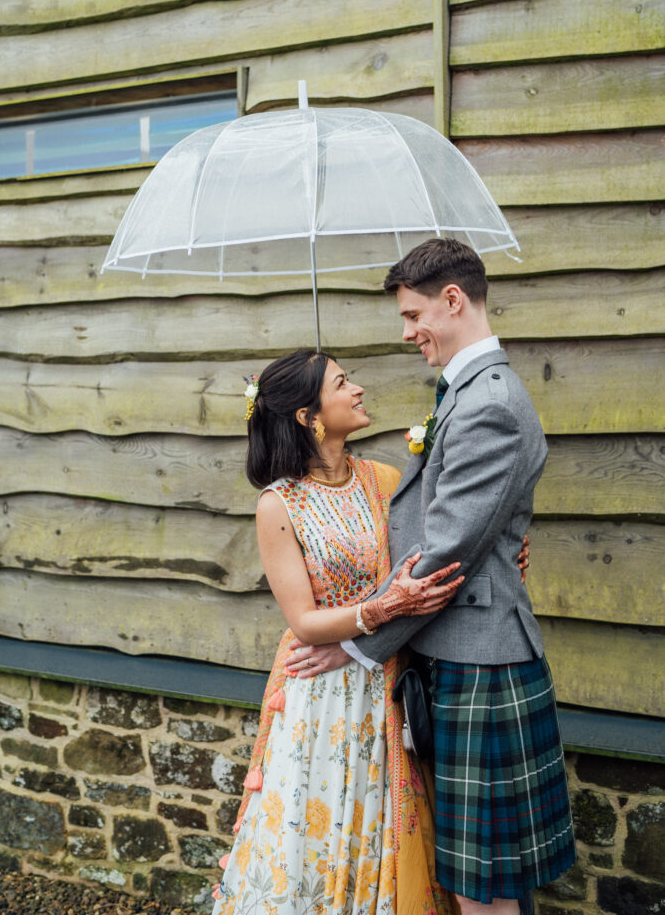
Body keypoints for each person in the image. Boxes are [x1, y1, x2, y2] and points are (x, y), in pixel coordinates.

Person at [290, 239, 576, 915]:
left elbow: (444, 554)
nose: (408, 331)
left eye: (414, 314)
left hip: (481, 662)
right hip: (456, 652)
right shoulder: (465, 392)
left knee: (481, 888)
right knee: (478, 878)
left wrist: (357, 642)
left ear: (453, 300)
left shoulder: (488, 404)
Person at [212, 348, 531, 914]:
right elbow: (304, 622)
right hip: (324, 698)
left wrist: (501, 558)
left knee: (392, 825)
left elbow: (442, 554)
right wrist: (379, 611)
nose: (358, 389)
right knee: (327, 821)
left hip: (392, 681)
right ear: (309, 417)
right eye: (342, 383)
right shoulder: (278, 505)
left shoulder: (385, 480)